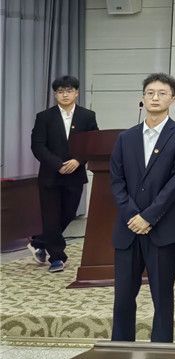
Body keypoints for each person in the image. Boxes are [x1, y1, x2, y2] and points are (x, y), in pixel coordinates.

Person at [110, 73, 175, 343]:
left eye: (162, 93)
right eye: (150, 93)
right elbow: (116, 181)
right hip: (128, 228)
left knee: (162, 294)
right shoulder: (126, 137)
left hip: (163, 227)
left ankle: (162, 348)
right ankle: (120, 346)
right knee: (123, 295)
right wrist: (133, 215)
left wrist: (148, 217)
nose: (155, 98)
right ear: (142, 97)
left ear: (173, 99)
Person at [28, 75, 99, 273]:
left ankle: (39, 242)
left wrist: (78, 160)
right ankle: (57, 258)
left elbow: (94, 143)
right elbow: (37, 146)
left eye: (69, 91)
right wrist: (57, 164)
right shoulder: (44, 117)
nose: (65, 95)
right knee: (51, 217)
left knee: (68, 214)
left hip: (75, 175)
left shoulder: (87, 116)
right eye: (60, 91)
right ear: (55, 94)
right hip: (50, 176)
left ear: (76, 93)